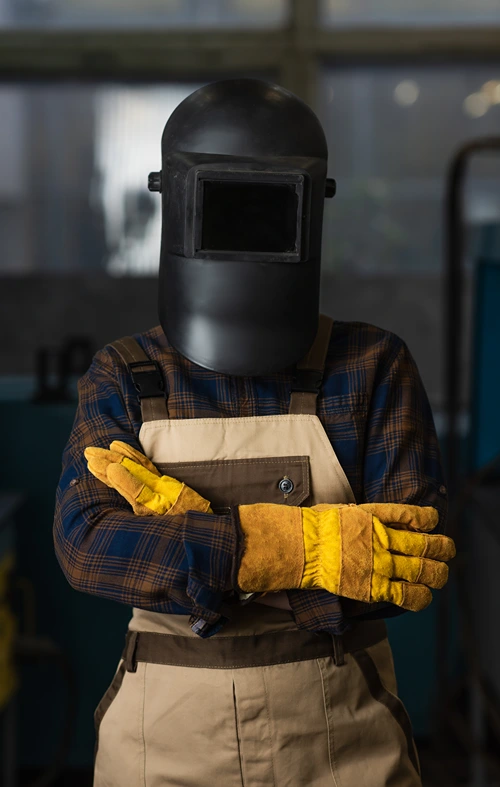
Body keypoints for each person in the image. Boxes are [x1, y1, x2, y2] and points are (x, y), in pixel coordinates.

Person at [54, 79, 455, 787]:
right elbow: (87, 548)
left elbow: (412, 561)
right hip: (164, 747)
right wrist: (291, 550)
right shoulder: (124, 374)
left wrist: (194, 543)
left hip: (341, 747)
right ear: (175, 202)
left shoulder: (370, 365)